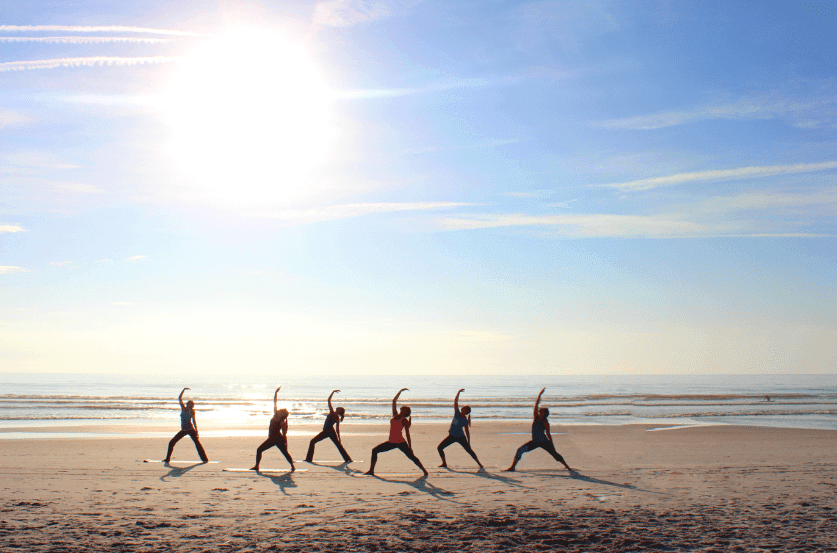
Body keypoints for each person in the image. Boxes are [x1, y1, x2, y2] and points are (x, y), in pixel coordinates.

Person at [504, 388, 572, 472]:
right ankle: (512, 467)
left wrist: (552, 444)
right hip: (535, 442)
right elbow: (536, 405)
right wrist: (539, 395)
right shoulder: (536, 417)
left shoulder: (545, 422)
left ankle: (567, 467)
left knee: (554, 454)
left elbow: (548, 434)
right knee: (520, 450)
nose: (540, 411)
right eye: (540, 410)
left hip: (544, 442)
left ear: (544, 413)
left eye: (542, 411)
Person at [365, 388, 428, 477]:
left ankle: (424, 471)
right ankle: (371, 470)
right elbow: (394, 401)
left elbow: (407, 434)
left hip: (400, 442)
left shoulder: (404, 420)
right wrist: (400, 392)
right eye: (403, 408)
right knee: (374, 450)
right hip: (391, 442)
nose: (402, 408)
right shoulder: (395, 415)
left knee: (411, 457)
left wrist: (410, 446)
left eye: (404, 409)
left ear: (406, 412)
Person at [437, 388, 483, 468]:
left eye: (465, 410)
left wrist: (468, 441)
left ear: (466, 412)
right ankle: (444, 463)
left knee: (469, 450)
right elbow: (455, 402)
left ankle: (479, 464)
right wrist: (458, 393)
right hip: (451, 436)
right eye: (463, 409)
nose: (462, 410)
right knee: (439, 447)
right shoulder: (457, 413)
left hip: (461, 437)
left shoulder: (465, 420)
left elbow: (467, 431)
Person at [251, 386, 294, 471]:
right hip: (274, 438)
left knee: (260, 449)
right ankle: (292, 466)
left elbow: (285, 432)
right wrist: (276, 392)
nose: (280, 409)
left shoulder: (281, 421)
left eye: (282, 410)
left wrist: (285, 440)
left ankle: (257, 466)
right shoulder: (276, 415)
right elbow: (275, 402)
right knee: (284, 453)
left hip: (276, 439)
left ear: (282, 414)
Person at [305, 390, 352, 463]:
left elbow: (329, 400)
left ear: (339, 411)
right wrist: (339, 437)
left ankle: (309, 459)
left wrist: (333, 392)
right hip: (331, 432)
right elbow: (337, 429)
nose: (338, 407)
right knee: (338, 446)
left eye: (339, 408)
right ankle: (348, 459)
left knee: (312, 441)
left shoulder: (333, 413)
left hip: (327, 431)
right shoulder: (337, 417)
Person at [164, 387, 208, 463]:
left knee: (197, 444)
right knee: (172, 442)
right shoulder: (183, 408)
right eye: (187, 403)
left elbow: (194, 421)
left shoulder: (191, 411)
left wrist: (196, 431)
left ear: (190, 405)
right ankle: (167, 459)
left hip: (191, 430)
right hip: (183, 430)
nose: (186, 403)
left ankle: (205, 459)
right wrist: (183, 390)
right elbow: (179, 398)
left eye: (188, 403)